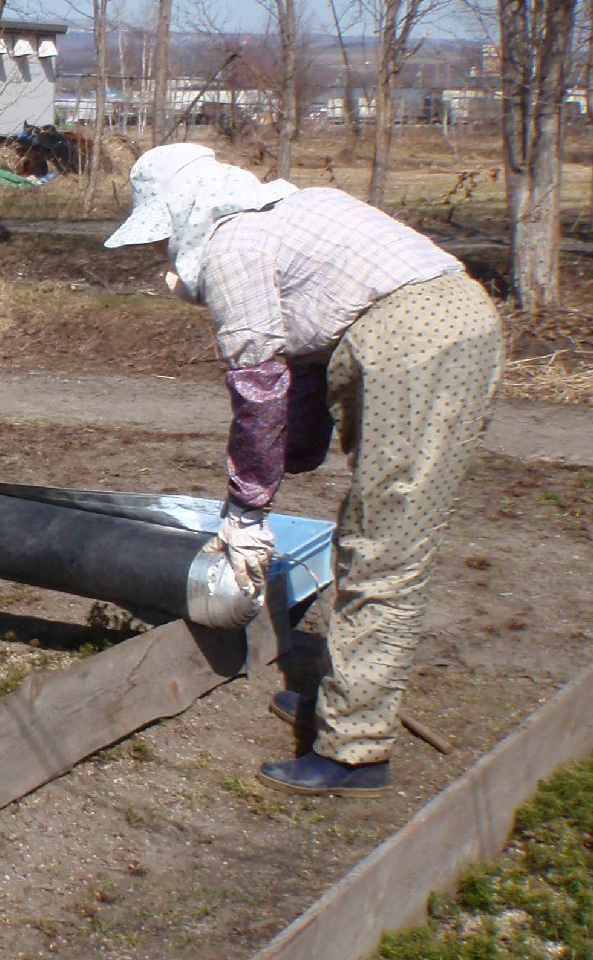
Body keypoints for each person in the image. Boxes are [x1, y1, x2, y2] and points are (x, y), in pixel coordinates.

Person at [105, 144, 504, 797]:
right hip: (438, 326)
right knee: (369, 533)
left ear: (183, 215)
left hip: (421, 345)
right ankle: (347, 699)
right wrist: (286, 466)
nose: (160, 256)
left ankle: (355, 752)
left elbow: (260, 393)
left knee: (386, 549)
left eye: (160, 239)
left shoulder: (235, 248)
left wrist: (246, 515)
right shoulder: (292, 212)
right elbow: (307, 369)